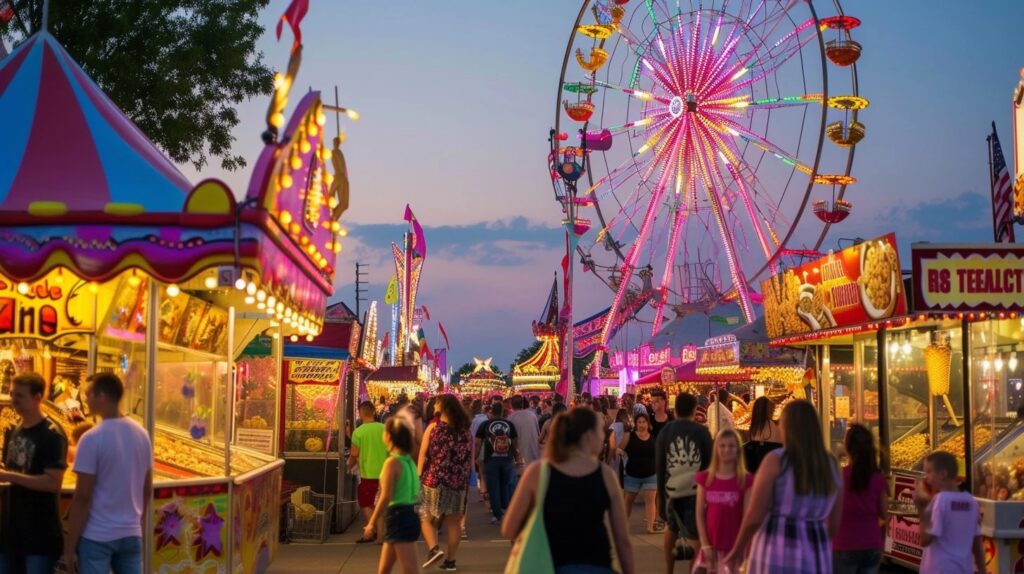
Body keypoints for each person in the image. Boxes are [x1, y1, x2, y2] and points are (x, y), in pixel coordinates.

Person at [502, 408, 636, 574]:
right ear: (588, 437)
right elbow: (622, 539)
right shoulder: (606, 475)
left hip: (549, 566)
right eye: (600, 433)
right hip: (597, 565)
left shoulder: (537, 472)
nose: (603, 438)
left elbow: (509, 528)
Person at [725, 400, 843, 573]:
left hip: (776, 548)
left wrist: (738, 549)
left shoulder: (777, 460)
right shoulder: (832, 465)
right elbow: (834, 523)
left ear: (788, 427)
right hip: (816, 551)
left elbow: (754, 516)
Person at [66, 373, 153, 574]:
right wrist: (139, 525)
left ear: (102, 396)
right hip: (132, 535)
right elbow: (147, 488)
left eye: (89, 394)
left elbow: (82, 498)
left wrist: (69, 548)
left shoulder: (91, 439)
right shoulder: (142, 435)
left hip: (97, 536)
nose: (85, 399)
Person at [0, 372, 68, 574]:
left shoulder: (51, 434)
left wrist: (9, 476)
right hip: (10, 532)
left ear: (38, 397)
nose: (13, 401)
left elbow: (52, 483)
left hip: (39, 535)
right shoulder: (13, 430)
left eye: (20, 396)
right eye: (12, 394)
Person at [656, 392, 713, 573]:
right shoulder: (702, 432)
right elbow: (709, 463)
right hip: (696, 491)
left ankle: (669, 569)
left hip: (671, 488)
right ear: (694, 409)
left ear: (675, 408)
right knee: (695, 535)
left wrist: (660, 496)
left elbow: (660, 464)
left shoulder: (666, 431)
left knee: (671, 528)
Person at [418, 395, 473, 571]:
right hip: (458, 481)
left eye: (437, 403)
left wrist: (418, 475)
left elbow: (423, 453)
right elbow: (469, 458)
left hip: (434, 478)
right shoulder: (466, 431)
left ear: (443, 407)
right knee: (454, 523)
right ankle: (450, 561)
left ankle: (434, 549)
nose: (434, 404)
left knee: (424, 514)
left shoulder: (434, 428)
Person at [365, 418, 422, 574]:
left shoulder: (392, 463)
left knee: (410, 569)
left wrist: (372, 522)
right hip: (408, 514)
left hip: (398, 516)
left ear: (389, 436)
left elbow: (385, 496)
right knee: (384, 569)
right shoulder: (409, 462)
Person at [914, 450, 984, 574]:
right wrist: (982, 570)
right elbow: (977, 544)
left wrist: (921, 508)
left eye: (929, 472)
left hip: (939, 569)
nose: (926, 477)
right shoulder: (971, 502)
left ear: (942, 474)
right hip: (964, 568)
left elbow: (925, 540)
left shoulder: (940, 500)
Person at [695, 428, 753, 572]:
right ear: (716, 448)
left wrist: (741, 547)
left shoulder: (745, 480)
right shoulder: (706, 479)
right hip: (711, 547)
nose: (726, 449)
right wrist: (705, 544)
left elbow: (747, 517)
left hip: (736, 548)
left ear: (738, 449)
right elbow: (699, 514)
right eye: (722, 445)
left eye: (731, 446)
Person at [834, 424, 888, 574]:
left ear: (848, 447)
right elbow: (884, 513)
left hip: (844, 544)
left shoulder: (839, 476)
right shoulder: (878, 477)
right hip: (872, 544)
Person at [350, 400, 389, 544]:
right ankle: (379, 536)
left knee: (366, 504)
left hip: (368, 475)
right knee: (381, 505)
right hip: (385, 473)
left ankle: (372, 530)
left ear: (360, 413)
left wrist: (349, 465)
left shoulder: (358, 432)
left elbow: (354, 454)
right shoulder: (385, 429)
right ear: (374, 412)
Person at [476, 403, 519, 524]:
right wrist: (516, 456)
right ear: (502, 413)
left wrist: (475, 457)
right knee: (505, 484)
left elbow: (478, 442)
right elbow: (515, 441)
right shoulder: (509, 424)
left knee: (493, 487)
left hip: (491, 459)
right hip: (507, 459)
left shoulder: (485, 424)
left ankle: (496, 515)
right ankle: (504, 508)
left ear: (491, 412)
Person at [618, 413, 661, 534]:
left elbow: (657, 454)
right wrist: (619, 453)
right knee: (628, 500)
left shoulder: (653, 438)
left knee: (651, 501)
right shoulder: (629, 436)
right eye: (639, 422)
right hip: (632, 474)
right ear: (635, 424)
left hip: (651, 474)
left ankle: (650, 526)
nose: (641, 424)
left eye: (644, 422)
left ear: (648, 424)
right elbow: (620, 448)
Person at [744, 397, 783, 474]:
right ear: (768, 410)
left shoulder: (752, 429)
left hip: (756, 469)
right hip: (771, 468)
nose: (773, 410)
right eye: (772, 409)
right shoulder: (773, 426)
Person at [507, 395, 540, 469]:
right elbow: (538, 434)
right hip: (534, 457)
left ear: (511, 405)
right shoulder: (532, 416)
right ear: (522, 404)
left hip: (520, 460)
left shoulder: (510, 419)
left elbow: (510, 440)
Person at [468, 399, 489, 502]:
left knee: (481, 472)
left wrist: (474, 453)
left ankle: (483, 492)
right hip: (488, 447)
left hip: (478, 447)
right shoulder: (486, 418)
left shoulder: (474, 420)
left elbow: (473, 437)